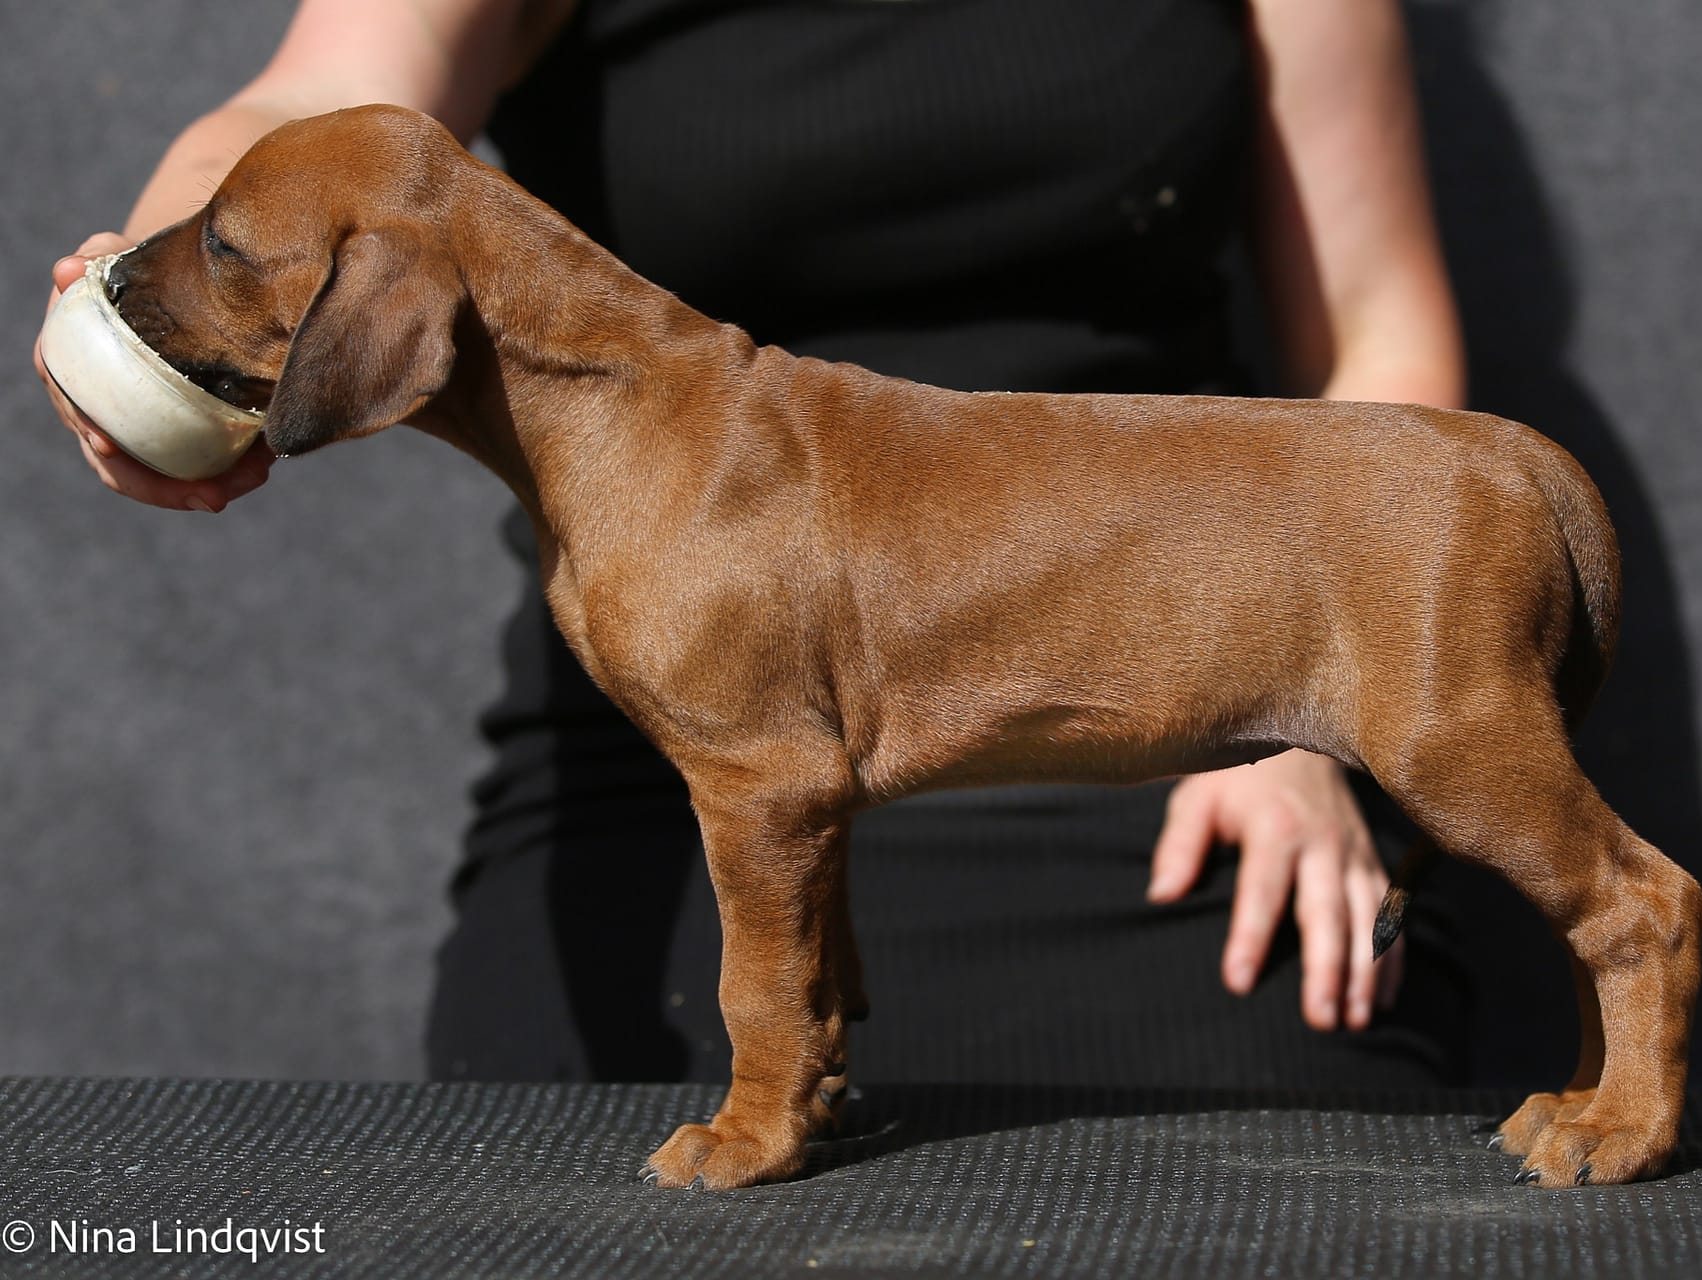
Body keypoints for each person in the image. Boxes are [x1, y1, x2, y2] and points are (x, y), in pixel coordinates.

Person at [38, 0, 1469, 1089]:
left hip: (1159, 693)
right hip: (676, 716)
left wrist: (1309, 702)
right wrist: (154, 295)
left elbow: (1377, 326)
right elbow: (315, 111)